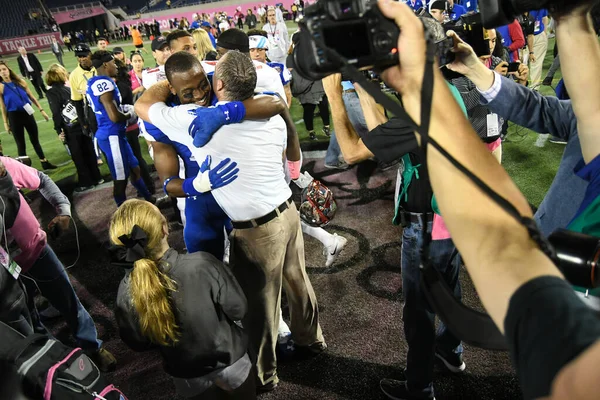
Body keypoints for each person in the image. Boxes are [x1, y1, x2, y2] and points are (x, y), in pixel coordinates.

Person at [376, 2, 600, 399]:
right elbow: (549, 110)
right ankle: (450, 353)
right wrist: (474, 71)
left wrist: (571, 17)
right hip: (557, 276)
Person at [135, 50, 327, 393]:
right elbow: (278, 106)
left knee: (259, 302)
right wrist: (196, 184)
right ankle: (307, 340)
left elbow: (143, 105)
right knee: (288, 279)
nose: (197, 94)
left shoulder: (193, 114)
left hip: (252, 220)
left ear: (215, 80)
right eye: (187, 90)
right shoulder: (259, 104)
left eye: (201, 85)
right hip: (246, 205)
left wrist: (213, 106)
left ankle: (265, 372)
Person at [111, 199, 256, 400]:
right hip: (231, 362)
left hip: (186, 376)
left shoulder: (126, 291)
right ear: (164, 229)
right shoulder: (202, 264)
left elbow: (137, 342)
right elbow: (238, 308)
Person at [0, 156, 116, 372]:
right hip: (6, 272)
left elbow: (41, 179)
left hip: (37, 251)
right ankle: (55, 369)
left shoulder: (4, 165)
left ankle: (93, 348)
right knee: (30, 323)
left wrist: (63, 209)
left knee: (68, 302)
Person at [86, 50, 153, 206]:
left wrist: (122, 109)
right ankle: (122, 215)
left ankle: (150, 200)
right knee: (120, 178)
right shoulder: (104, 83)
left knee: (135, 169)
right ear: (105, 64)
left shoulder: (95, 81)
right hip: (111, 136)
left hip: (117, 134)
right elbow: (114, 116)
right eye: (113, 63)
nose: (116, 65)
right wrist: (130, 113)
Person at [46, 64, 102, 192]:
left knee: (78, 156)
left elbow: (56, 112)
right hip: (82, 123)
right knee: (89, 151)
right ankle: (97, 177)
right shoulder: (69, 88)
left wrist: (58, 129)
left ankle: (86, 182)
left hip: (70, 128)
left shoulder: (51, 92)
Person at [0, 61, 56, 170]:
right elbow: (3, 106)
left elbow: (32, 97)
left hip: (27, 113)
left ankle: (44, 162)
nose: (3, 72)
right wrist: (5, 123)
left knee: (35, 139)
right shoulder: (1, 87)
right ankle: (24, 169)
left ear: (8, 70)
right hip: (14, 116)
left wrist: (41, 110)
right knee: (20, 144)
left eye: (4, 69)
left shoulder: (20, 82)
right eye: (0, 70)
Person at [528, 9, 549, 88]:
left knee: (535, 64)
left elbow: (544, 17)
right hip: (526, 36)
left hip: (537, 35)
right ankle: (533, 89)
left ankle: (534, 89)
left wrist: (544, 34)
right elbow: (545, 18)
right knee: (532, 64)